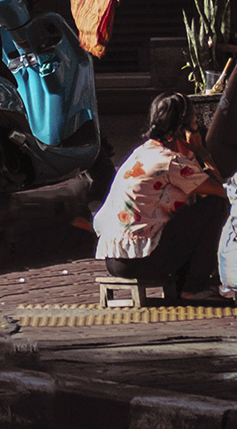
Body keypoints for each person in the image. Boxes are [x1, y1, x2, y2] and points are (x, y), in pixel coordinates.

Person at [93, 93, 228, 298]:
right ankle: (194, 287)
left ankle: (189, 283)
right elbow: (221, 189)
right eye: (193, 126)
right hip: (140, 260)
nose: (197, 131)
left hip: (114, 260)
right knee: (215, 205)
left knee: (190, 212)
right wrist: (201, 151)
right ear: (182, 131)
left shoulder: (142, 152)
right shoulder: (172, 162)